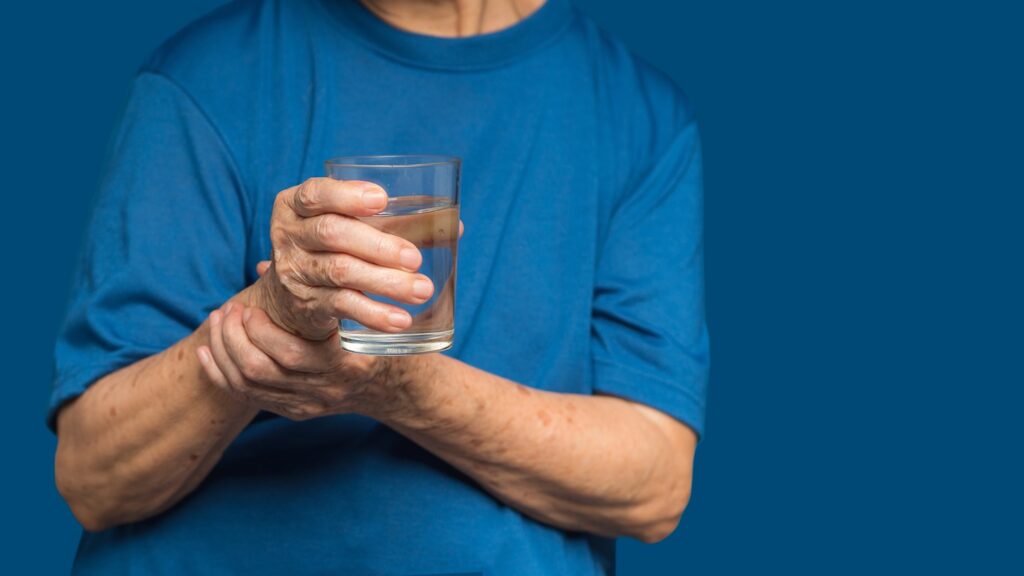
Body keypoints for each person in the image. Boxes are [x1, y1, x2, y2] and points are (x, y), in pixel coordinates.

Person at [51, 0, 708, 573]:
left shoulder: (639, 117)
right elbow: (93, 477)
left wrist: (397, 383)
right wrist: (272, 320)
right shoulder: (203, 78)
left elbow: (653, 486)